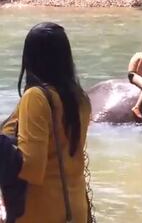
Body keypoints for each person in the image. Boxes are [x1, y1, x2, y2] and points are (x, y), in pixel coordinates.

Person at [1, 22, 91, 223]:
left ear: (30, 57)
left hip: (40, 211)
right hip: (75, 209)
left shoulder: (36, 97)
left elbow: (32, 168)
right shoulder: (80, 98)